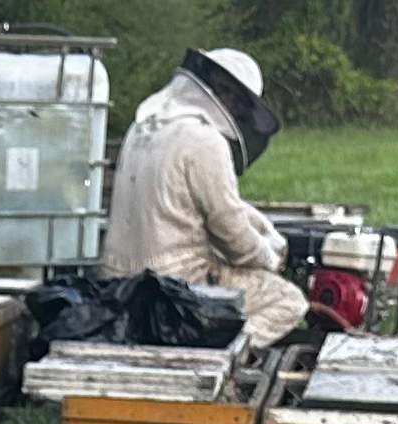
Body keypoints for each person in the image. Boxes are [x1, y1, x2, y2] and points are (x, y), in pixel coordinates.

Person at [101, 47, 309, 344]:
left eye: (239, 99)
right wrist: (271, 259)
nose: (233, 105)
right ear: (208, 83)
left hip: (116, 283)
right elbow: (235, 239)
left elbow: (197, 202)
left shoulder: (143, 127)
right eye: (229, 93)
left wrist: (260, 225)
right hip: (176, 287)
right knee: (289, 300)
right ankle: (221, 355)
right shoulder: (205, 141)